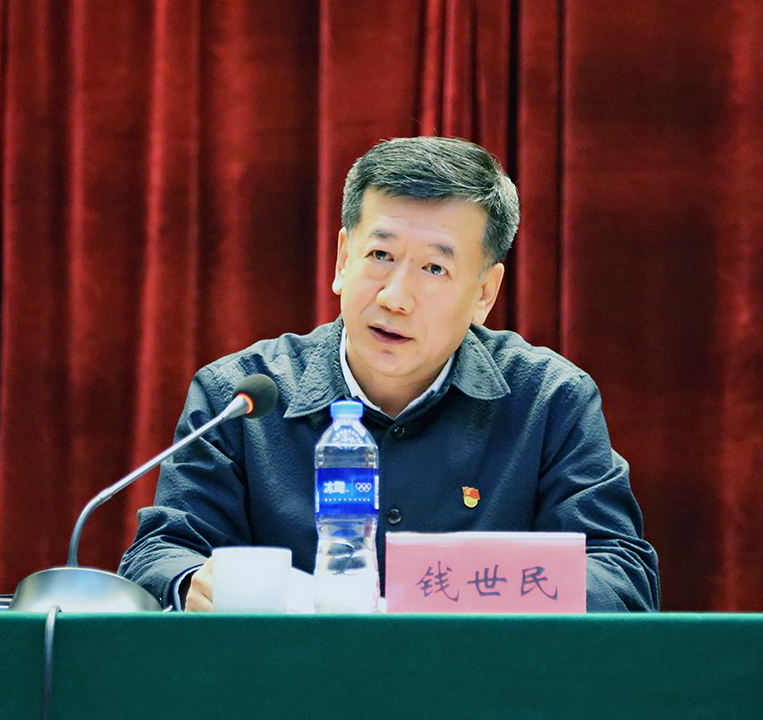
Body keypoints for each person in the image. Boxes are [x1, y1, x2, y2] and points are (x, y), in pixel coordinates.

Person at [118, 136, 661, 612]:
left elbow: (621, 575)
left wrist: (479, 591)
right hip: (288, 687)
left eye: (434, 268)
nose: (395, 297)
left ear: (484, 293)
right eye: (380, 254)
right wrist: (192, 582)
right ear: (342, 259)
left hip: (479, 690)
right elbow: (159, 554)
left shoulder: (550, 401)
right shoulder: (240, 397)